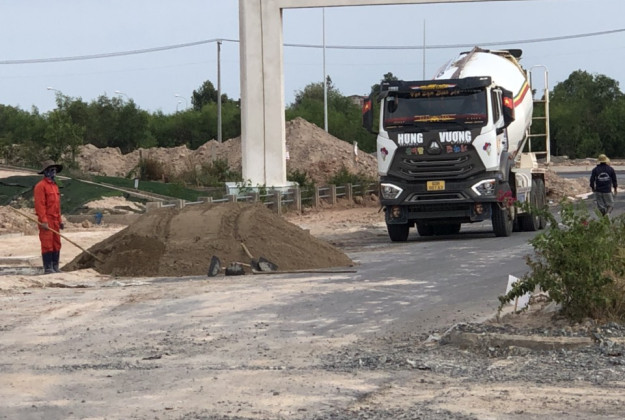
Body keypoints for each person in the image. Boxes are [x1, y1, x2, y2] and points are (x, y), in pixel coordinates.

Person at [34, 160, 64, 274]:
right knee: (47, 243)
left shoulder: (55, 186)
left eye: (55, 170)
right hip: (47, 220)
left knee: (56, 243)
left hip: (55, 219)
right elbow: (40, 205)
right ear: (45, 172)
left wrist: (60, 220)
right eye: (51, 170)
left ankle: (55, 266)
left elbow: (57, 206)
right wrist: (44, 221)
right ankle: (48, 268)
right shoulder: (40, 186)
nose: (54, 172)